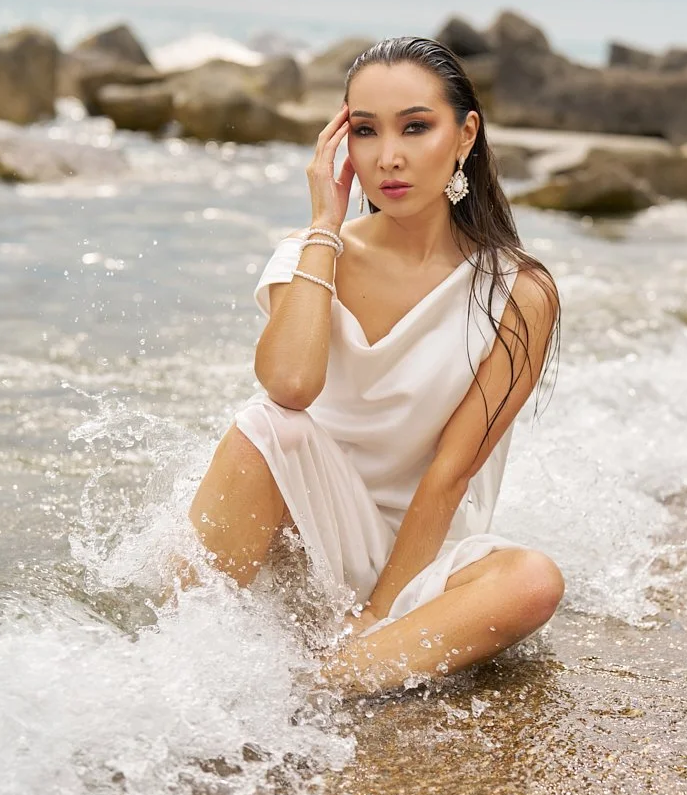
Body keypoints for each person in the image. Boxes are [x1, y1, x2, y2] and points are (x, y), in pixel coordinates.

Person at [182, 36, 564, 696]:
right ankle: (179, 660)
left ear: (465, 134)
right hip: (309, 538)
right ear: (342, 144)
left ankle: (316, 685)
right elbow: (290, 387)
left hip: (425, 553)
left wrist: (379, 612)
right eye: (365, 131)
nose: (389, 157)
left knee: (533, 581)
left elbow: (451, 472)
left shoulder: (517, 291)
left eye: (416, 127)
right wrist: (324, 225)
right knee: (267, 427)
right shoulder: (308, 256)